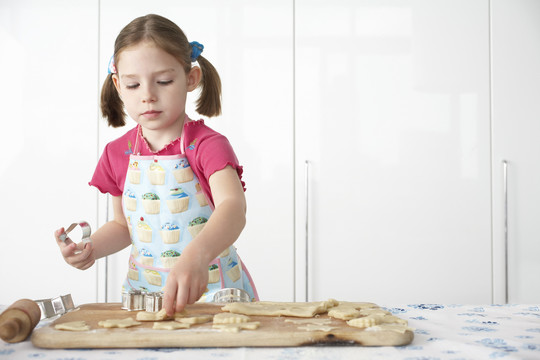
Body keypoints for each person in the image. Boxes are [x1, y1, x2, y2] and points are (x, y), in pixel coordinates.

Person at [54, 14, 258, 315]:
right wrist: (91, 248)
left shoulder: (206, 145)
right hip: (145, 299)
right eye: (133, 85)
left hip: (215, 298)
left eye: (163, 81)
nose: (148, 95)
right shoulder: (117, 152)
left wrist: (197, 256)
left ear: (191, 79)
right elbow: (125, 226)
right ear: (118, 86)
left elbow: (233, 207)